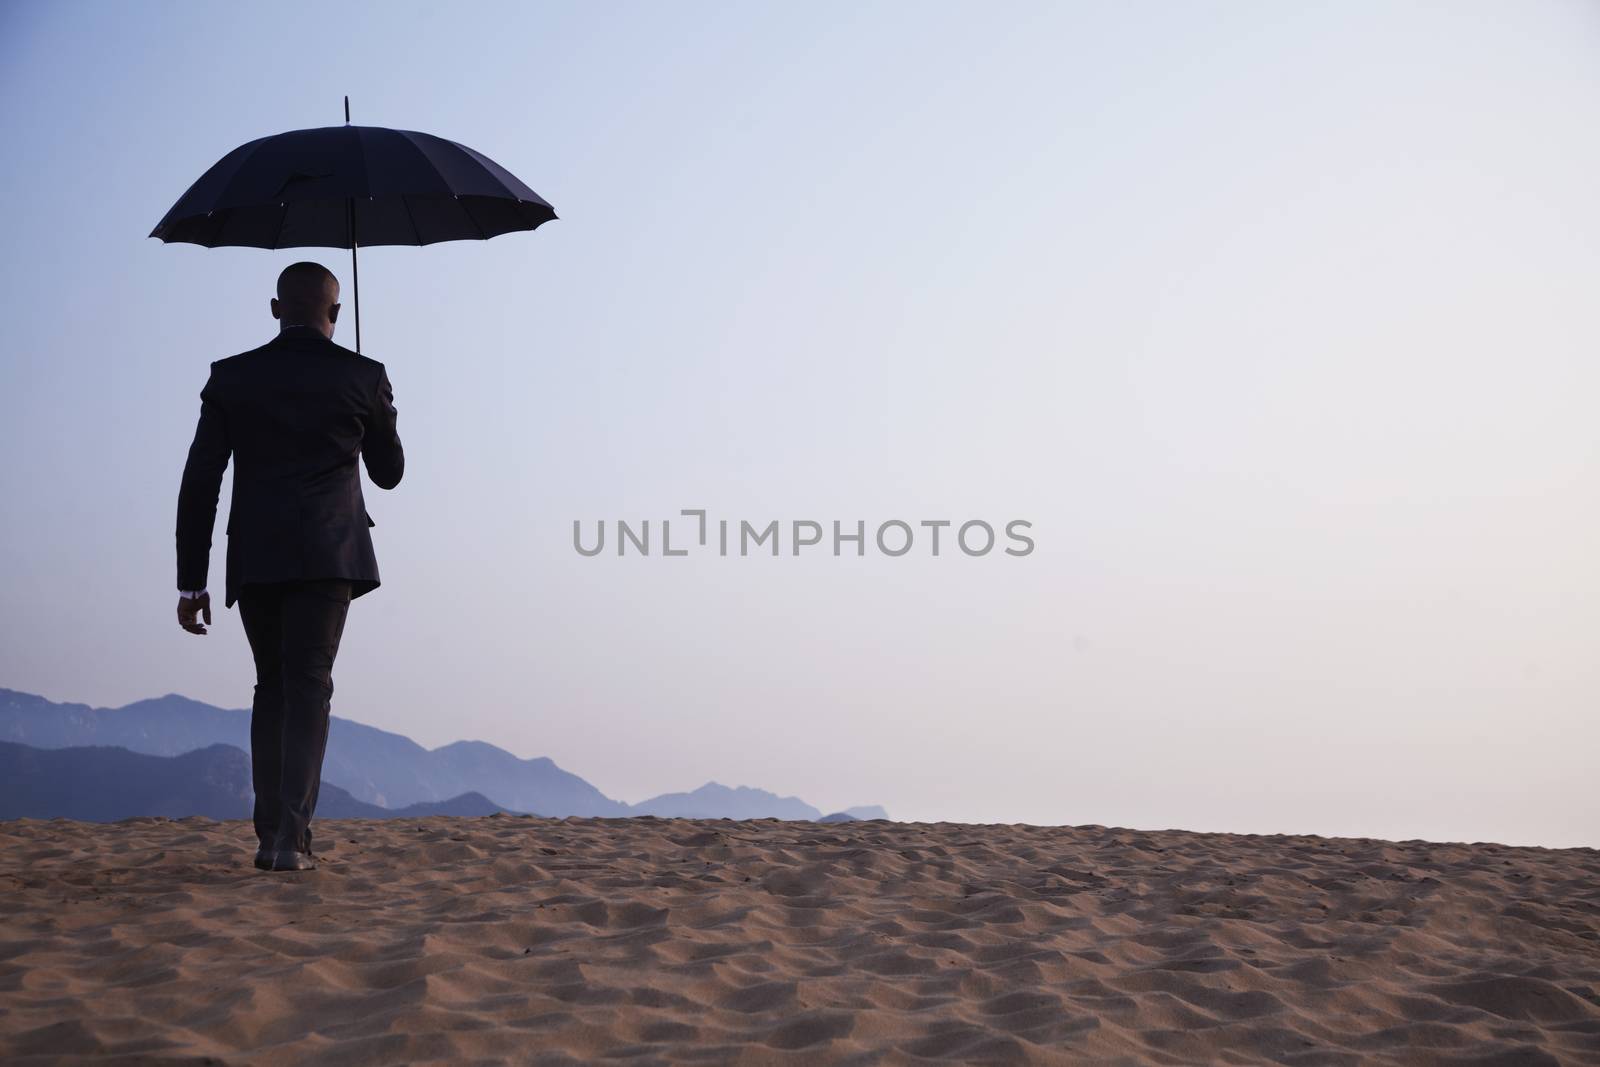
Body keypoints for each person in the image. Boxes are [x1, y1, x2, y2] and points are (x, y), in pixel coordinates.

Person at [174, 262, 404, 872]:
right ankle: (289, 841)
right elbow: (389, 473)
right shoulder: (363, 375)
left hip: (257, 553)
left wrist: (190, 580)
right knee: (309, 685)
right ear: (336, 314)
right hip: (328, 557)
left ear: (276, 309)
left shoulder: (233, 378)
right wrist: (382, 408)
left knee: (272, 684)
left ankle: (269, 834)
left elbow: (200, 482)